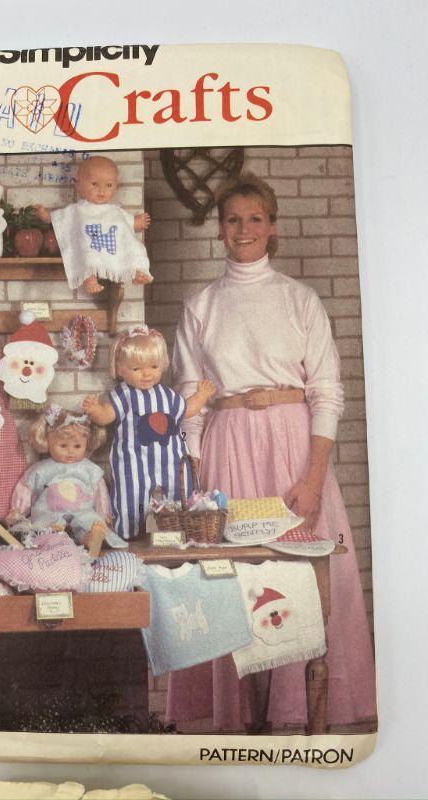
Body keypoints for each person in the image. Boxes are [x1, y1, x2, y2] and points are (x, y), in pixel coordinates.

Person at [168, 172, 376, 731]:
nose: (244, 229)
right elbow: (191, 399)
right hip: (227, 446)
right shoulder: (201, 304)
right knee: (229, 577)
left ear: (272, 227)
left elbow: (327, 393)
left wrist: (313, 478)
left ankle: (298, 711)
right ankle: (233, 713)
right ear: (220, 229)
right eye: (233, 219)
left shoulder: (299, 299)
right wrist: (194, 478)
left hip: (292, 447)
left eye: (255, 219)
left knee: (301, 577)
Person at [83, 325, 216, 539]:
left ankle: (176, 528)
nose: (146, 374)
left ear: (162, 364)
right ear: (120, 368)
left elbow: (186, 410)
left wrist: (201, 395)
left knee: (177, 490)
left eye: (154, 366)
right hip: (133, 460)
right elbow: (106, 416)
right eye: (136, 369)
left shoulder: (167, 394)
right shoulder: (123, 395)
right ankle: (129, 532)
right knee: (132, 493)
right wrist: (95, 410)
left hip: (171, 459)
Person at [5, 405, 126, 557]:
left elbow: (99, 493)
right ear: (48, 442)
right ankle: (54, 536)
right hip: (50, 512)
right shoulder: (42, 469)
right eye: (63, 446)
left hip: (82, 512)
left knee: (89, 523)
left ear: (86, 443)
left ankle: (90, 539)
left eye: (77, 446)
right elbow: (25, 488)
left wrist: (104, 514)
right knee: (46, 525)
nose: (70, 451)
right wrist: (17, 510)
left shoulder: (89, 469)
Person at [36, 155, 153, 293]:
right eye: (94, 184)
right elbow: (60, 218)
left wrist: (137, 222)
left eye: (108, 185)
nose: (101, 190)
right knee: (87, 253)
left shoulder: (116, 210)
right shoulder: (77, 209)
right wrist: (45, 216)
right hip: (91, 247)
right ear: (78, 185)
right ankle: (89, 279)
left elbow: (127, 224)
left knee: (134, 247)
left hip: (113, 246)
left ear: (116, 186)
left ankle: (137, 271)